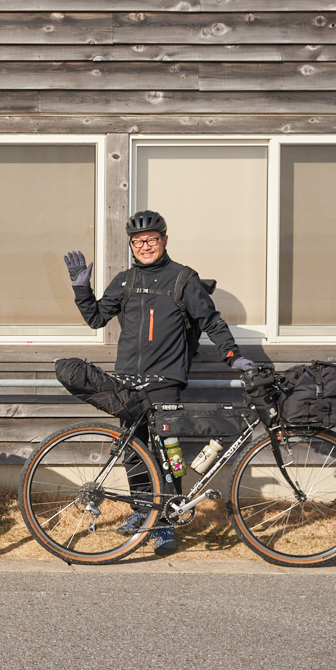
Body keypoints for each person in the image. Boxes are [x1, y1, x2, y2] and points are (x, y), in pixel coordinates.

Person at [63, 209, 254, 556]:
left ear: (165, 240)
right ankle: (142, 512)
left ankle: (165, 521)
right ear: (131, 246)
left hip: (165, 380)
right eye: (138, 242)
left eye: (151, 240)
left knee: (166, 452)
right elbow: (95, 318)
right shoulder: (124, 281)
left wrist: (232, 355)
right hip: (127, 381)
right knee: (132, 451)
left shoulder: (183, 279)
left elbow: (211, 321)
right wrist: (81, 287)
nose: (144, 246)